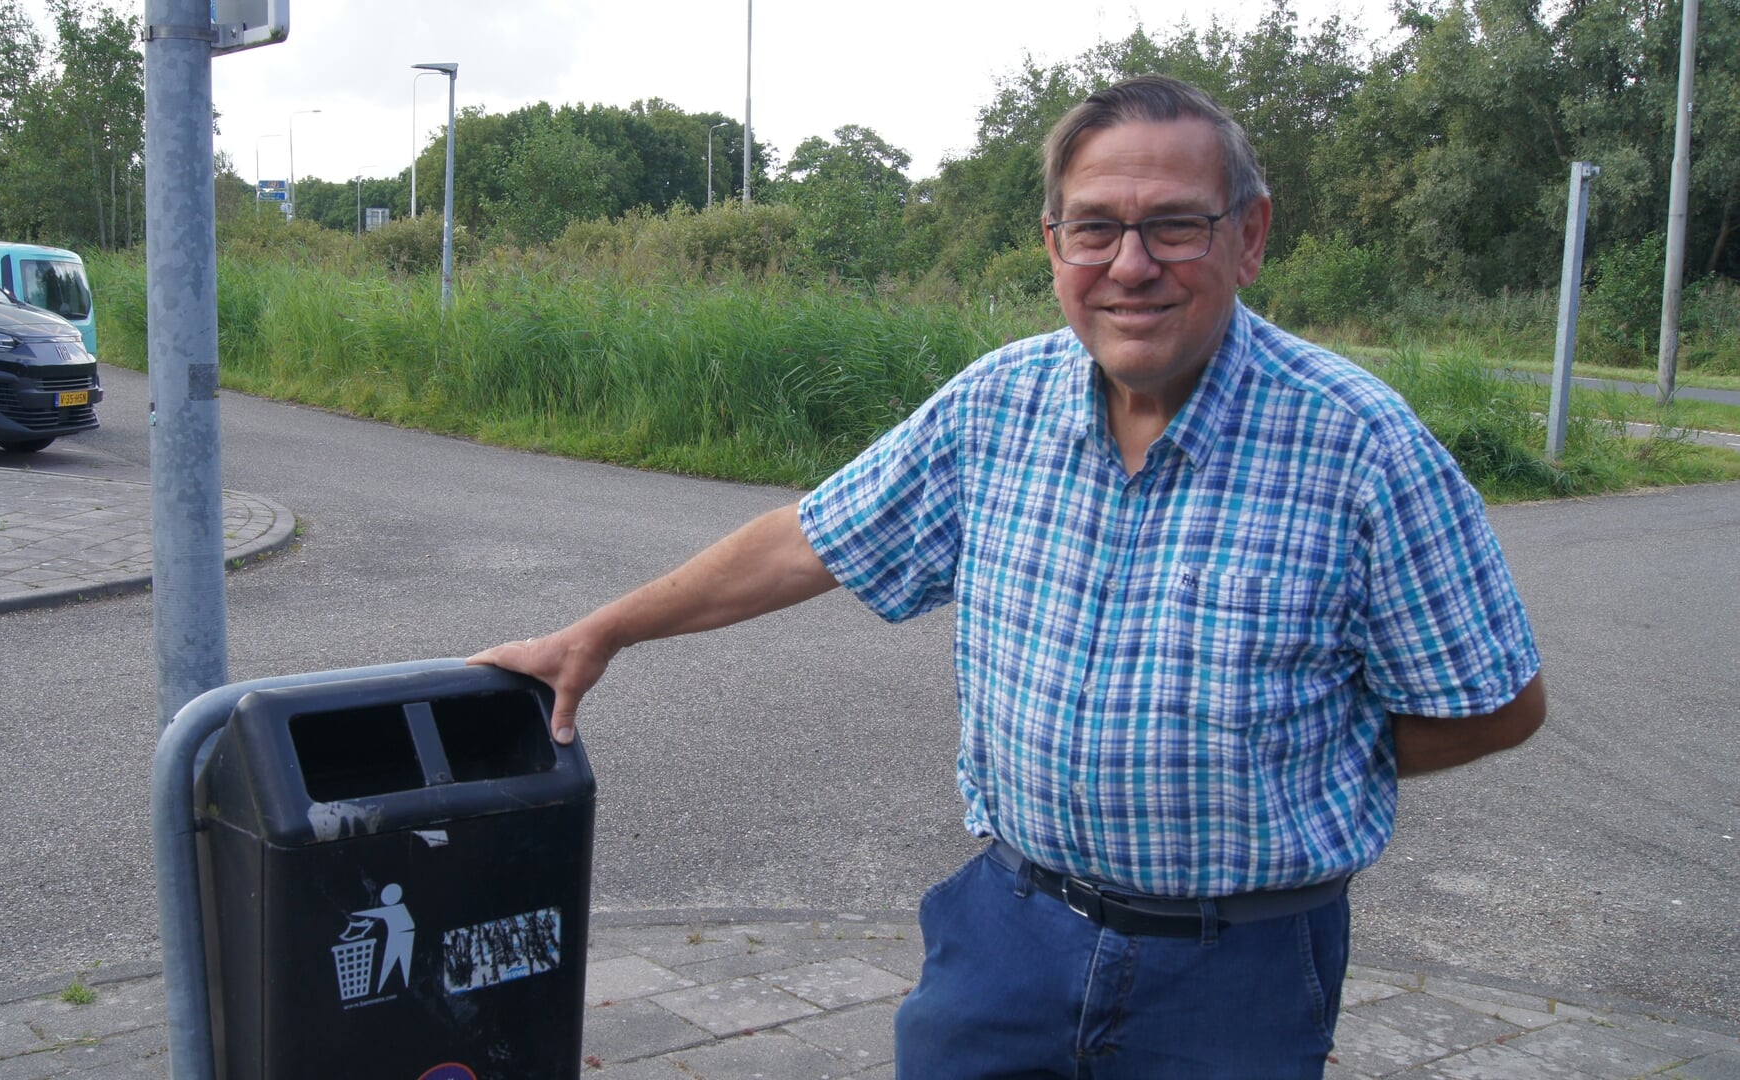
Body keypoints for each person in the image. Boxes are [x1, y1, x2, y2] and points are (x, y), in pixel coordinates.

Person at [470, 74, 1544, 1078]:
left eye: (1173, 223)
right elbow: (808, 540)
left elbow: (1494, 707)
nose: (1131, 264)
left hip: (1237, 972)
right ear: (1052, 243)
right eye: (1095, 227)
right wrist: (603, 631)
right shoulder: (997, 406)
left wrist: (1297, 762)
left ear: (1247, 236)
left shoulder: (1358, 444)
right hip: (1008, 934)